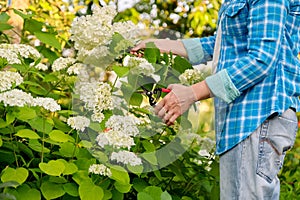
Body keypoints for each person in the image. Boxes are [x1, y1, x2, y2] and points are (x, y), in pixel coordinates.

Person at [131, 0, 300, 199]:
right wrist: (161, 45)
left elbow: (261, 59)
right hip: (245, 119)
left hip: (257, 115)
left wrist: (191, 94)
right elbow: (225, 42)